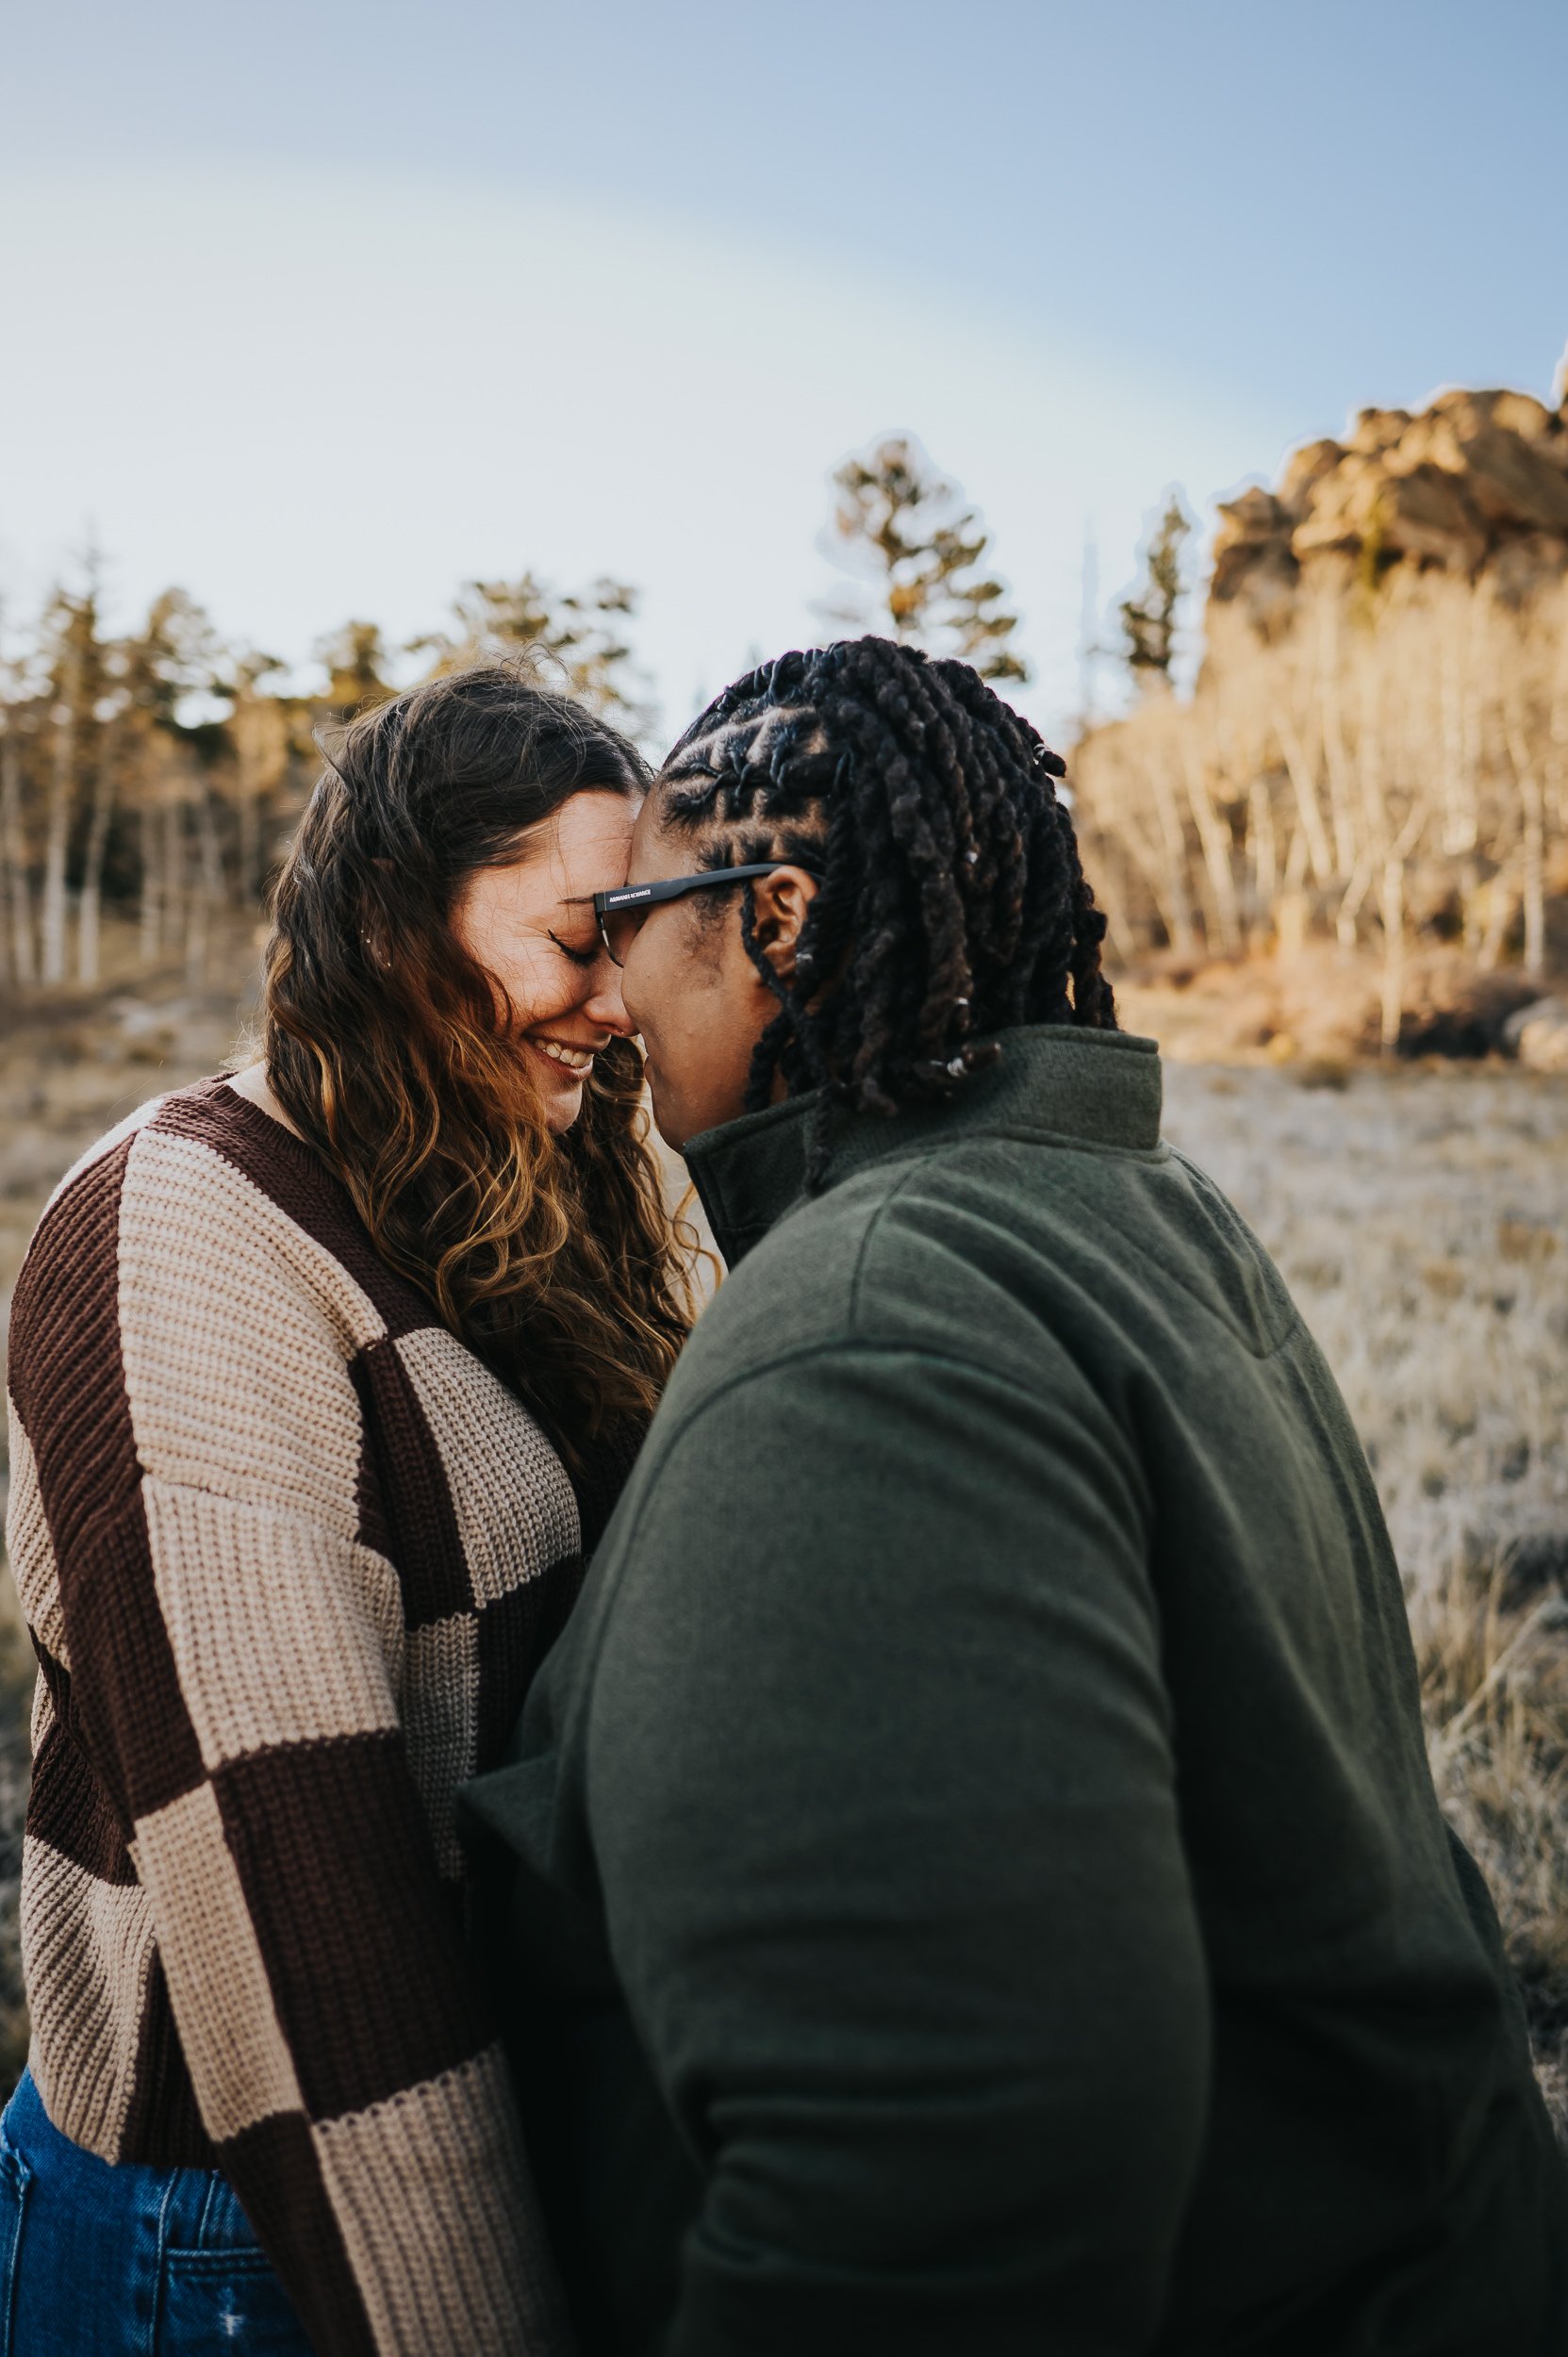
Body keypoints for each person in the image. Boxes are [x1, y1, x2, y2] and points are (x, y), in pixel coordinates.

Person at [463, 636, 1568, 2357]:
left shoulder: (862, 1326)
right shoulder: (1135, 1214)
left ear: (770, 922)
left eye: (629, 927)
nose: (606, 999)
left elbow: (939, 2182)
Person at [2, 664, 694, 2355]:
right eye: (576, 937)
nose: (619, 1001)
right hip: (235, 2233)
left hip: (472, 2164)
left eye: (640, 941)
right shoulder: (182, 1228)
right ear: (398, 927)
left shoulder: (509, 1199)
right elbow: (293, 1887)